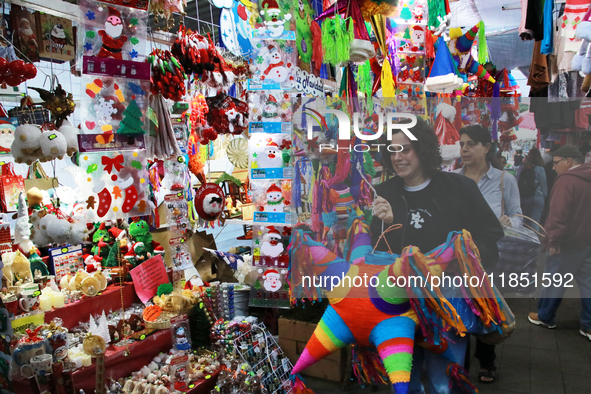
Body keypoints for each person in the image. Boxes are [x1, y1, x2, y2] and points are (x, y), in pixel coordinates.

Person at [371, 119, 504, 394]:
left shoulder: (458, 187)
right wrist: (386, 225)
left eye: (406, 149)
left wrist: (460, 261)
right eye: (392, 149)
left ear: (423, 149)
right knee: (404, 378)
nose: (398, 157)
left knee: (444, 381)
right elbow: (379, 255)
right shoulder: (385, 193)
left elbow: (490, 235)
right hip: (403, 305)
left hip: (449, 305)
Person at [453, 125, 523, 384]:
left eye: (471, 144)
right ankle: (458, 363)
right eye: (462, 144)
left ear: (486, 147)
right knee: (457, 309)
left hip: (488, 257)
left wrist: (508, 223)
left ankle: (487, 361)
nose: (464, 149)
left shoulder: (505, 180)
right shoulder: (453, 179)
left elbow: (518, 216)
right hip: (456, 257)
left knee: (484, 309)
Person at [528, 145, 591, 339]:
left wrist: (553, 241)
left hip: (567, 243)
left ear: (568, 161)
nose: (553, 168)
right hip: (586, 241)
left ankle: (545, 316)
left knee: (554, 280)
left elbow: (558, 215)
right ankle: (588, 325)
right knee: (588, 284)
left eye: (556, 163)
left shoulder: (567, 181)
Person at [516, 148, 547, 224]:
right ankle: (533, 236)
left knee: (524, 222)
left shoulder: (521, 168)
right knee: (535, 223)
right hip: (537, 198)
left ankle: (524, 236)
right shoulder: (540, 169)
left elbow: (517, 181)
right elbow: (544, 187)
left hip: (523, 198)